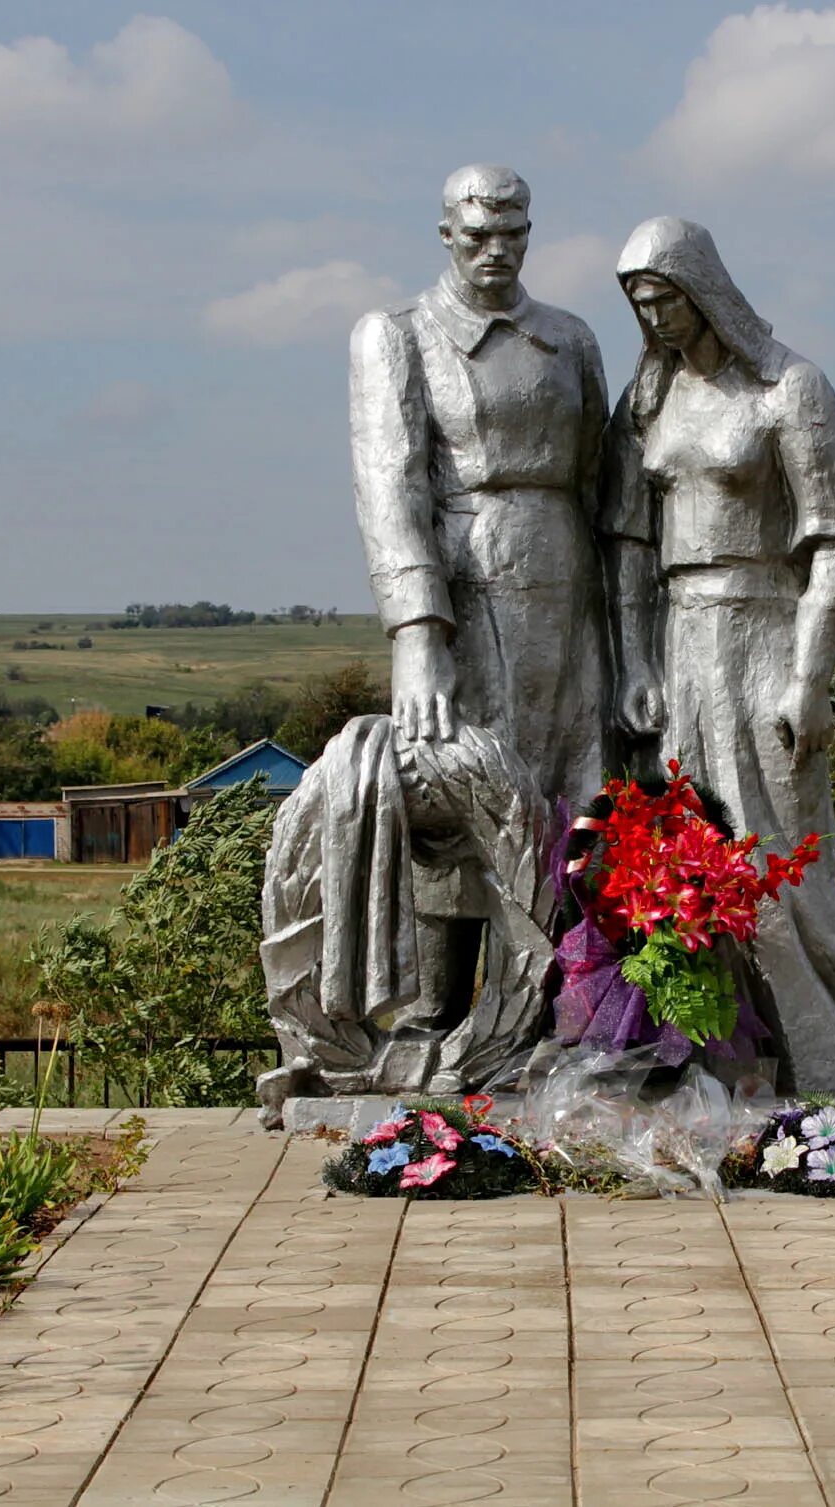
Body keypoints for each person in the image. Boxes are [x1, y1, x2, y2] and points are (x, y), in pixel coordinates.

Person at [601, 216, 835, 1096]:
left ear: (705, 287)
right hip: (681, 642)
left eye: (668, 297)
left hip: (764, 634)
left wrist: (809, 680)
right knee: (689, 875)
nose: (658, 319)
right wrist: (636, 662)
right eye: (641, 306)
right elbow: (630, 547)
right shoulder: (647, 401)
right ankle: (731, 1065)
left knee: (797, 880)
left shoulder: (791, 387)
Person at [343, 163, 611, 1028]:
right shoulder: (399, 335)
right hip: (464, 596)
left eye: (514, 233)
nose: (497, 250)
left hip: (568, 595)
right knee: (452, 789)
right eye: (477, 234)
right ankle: (430, 1013)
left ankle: (545, 1010)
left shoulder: (570, 339)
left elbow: (609, 481)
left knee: (564, 794)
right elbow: (391, 486)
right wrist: (418, 629)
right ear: (446, 234)